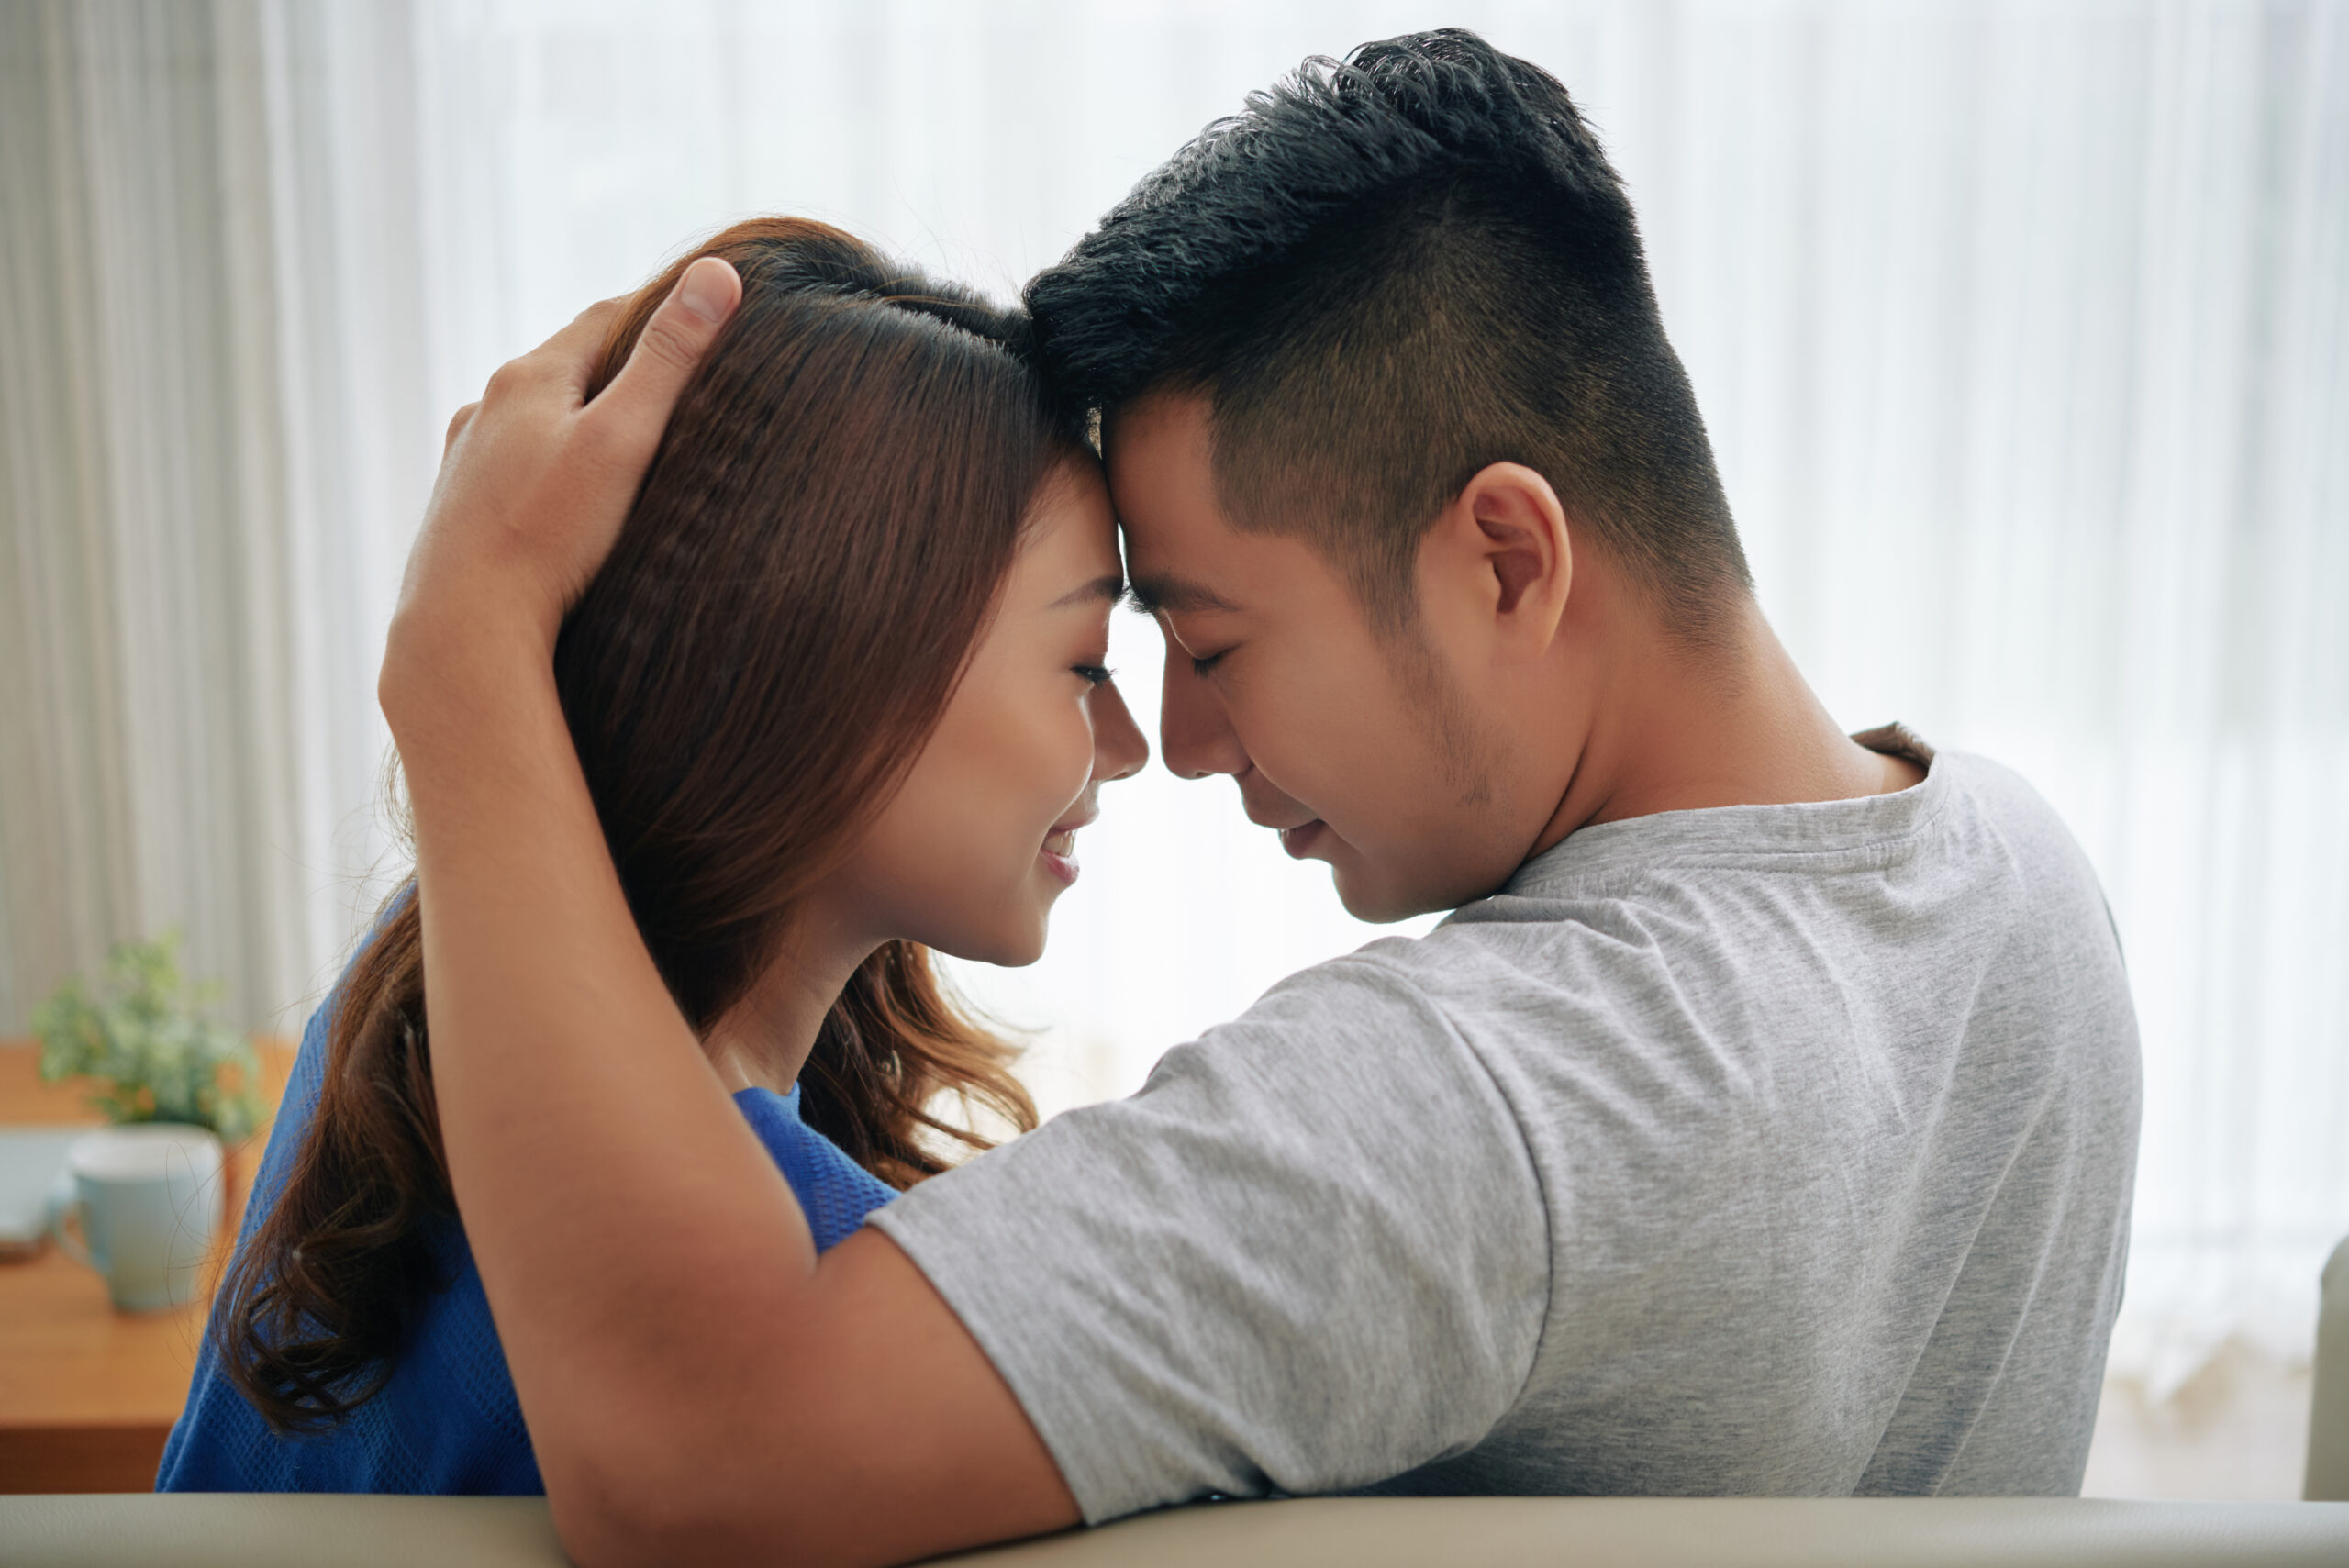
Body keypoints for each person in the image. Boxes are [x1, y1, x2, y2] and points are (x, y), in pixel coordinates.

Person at [368, 28, 2140, 1568]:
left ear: (1505, 559)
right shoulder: (2022, 873)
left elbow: (690, 1452)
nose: (1182, 743)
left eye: (1206, 638)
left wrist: (461, 656)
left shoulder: (1481, 1105)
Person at [155, 217, 1148, 1493]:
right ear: (832, 662)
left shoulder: (421, 986)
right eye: (1086, 664)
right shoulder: (815, 1280)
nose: (1129, 744)